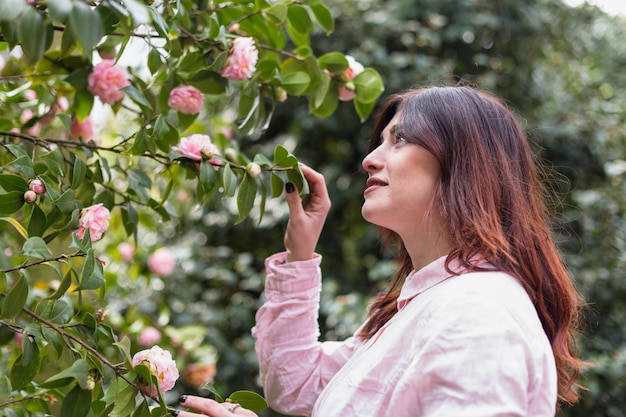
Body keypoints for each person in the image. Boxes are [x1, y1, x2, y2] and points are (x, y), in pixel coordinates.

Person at [173, 86, 586, 417]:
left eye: (400, 139)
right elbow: (297, 387)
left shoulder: (477, 312)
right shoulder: (426, 305)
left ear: (463, 161)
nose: (370, 159)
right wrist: (299, 254)